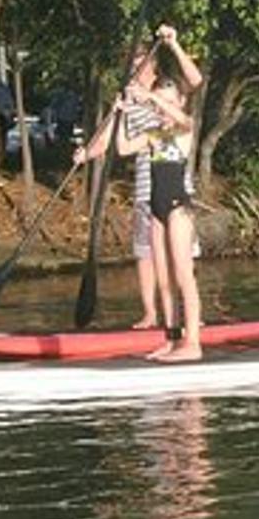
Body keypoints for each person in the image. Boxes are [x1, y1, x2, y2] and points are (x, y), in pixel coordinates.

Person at [75, 25, 203, 336]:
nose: (136, 68)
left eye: (141, 62)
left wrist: (173, 44)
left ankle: (189, 322)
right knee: (147, 254)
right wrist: (86, 154)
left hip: (176, 191)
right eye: (132, 64)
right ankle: (155, 317)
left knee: (181, 261)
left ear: (152, 62)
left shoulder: (168, 91)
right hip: (147, 187)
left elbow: (195, 82)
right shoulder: (131, 101)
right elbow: (112, 141)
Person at [130, 74, 203, 361]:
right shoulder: (155, 136)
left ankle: (193, 343)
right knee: (164, 281)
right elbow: (123, 147)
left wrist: (152, 97)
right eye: (160, 103)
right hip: (156, 209)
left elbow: (184, 120)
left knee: (184, 275)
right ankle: (172, 341)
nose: (163, 108)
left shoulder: (184, 130)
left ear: (180, 102)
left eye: (169, 102)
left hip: (178, 209)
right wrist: (120, 112)